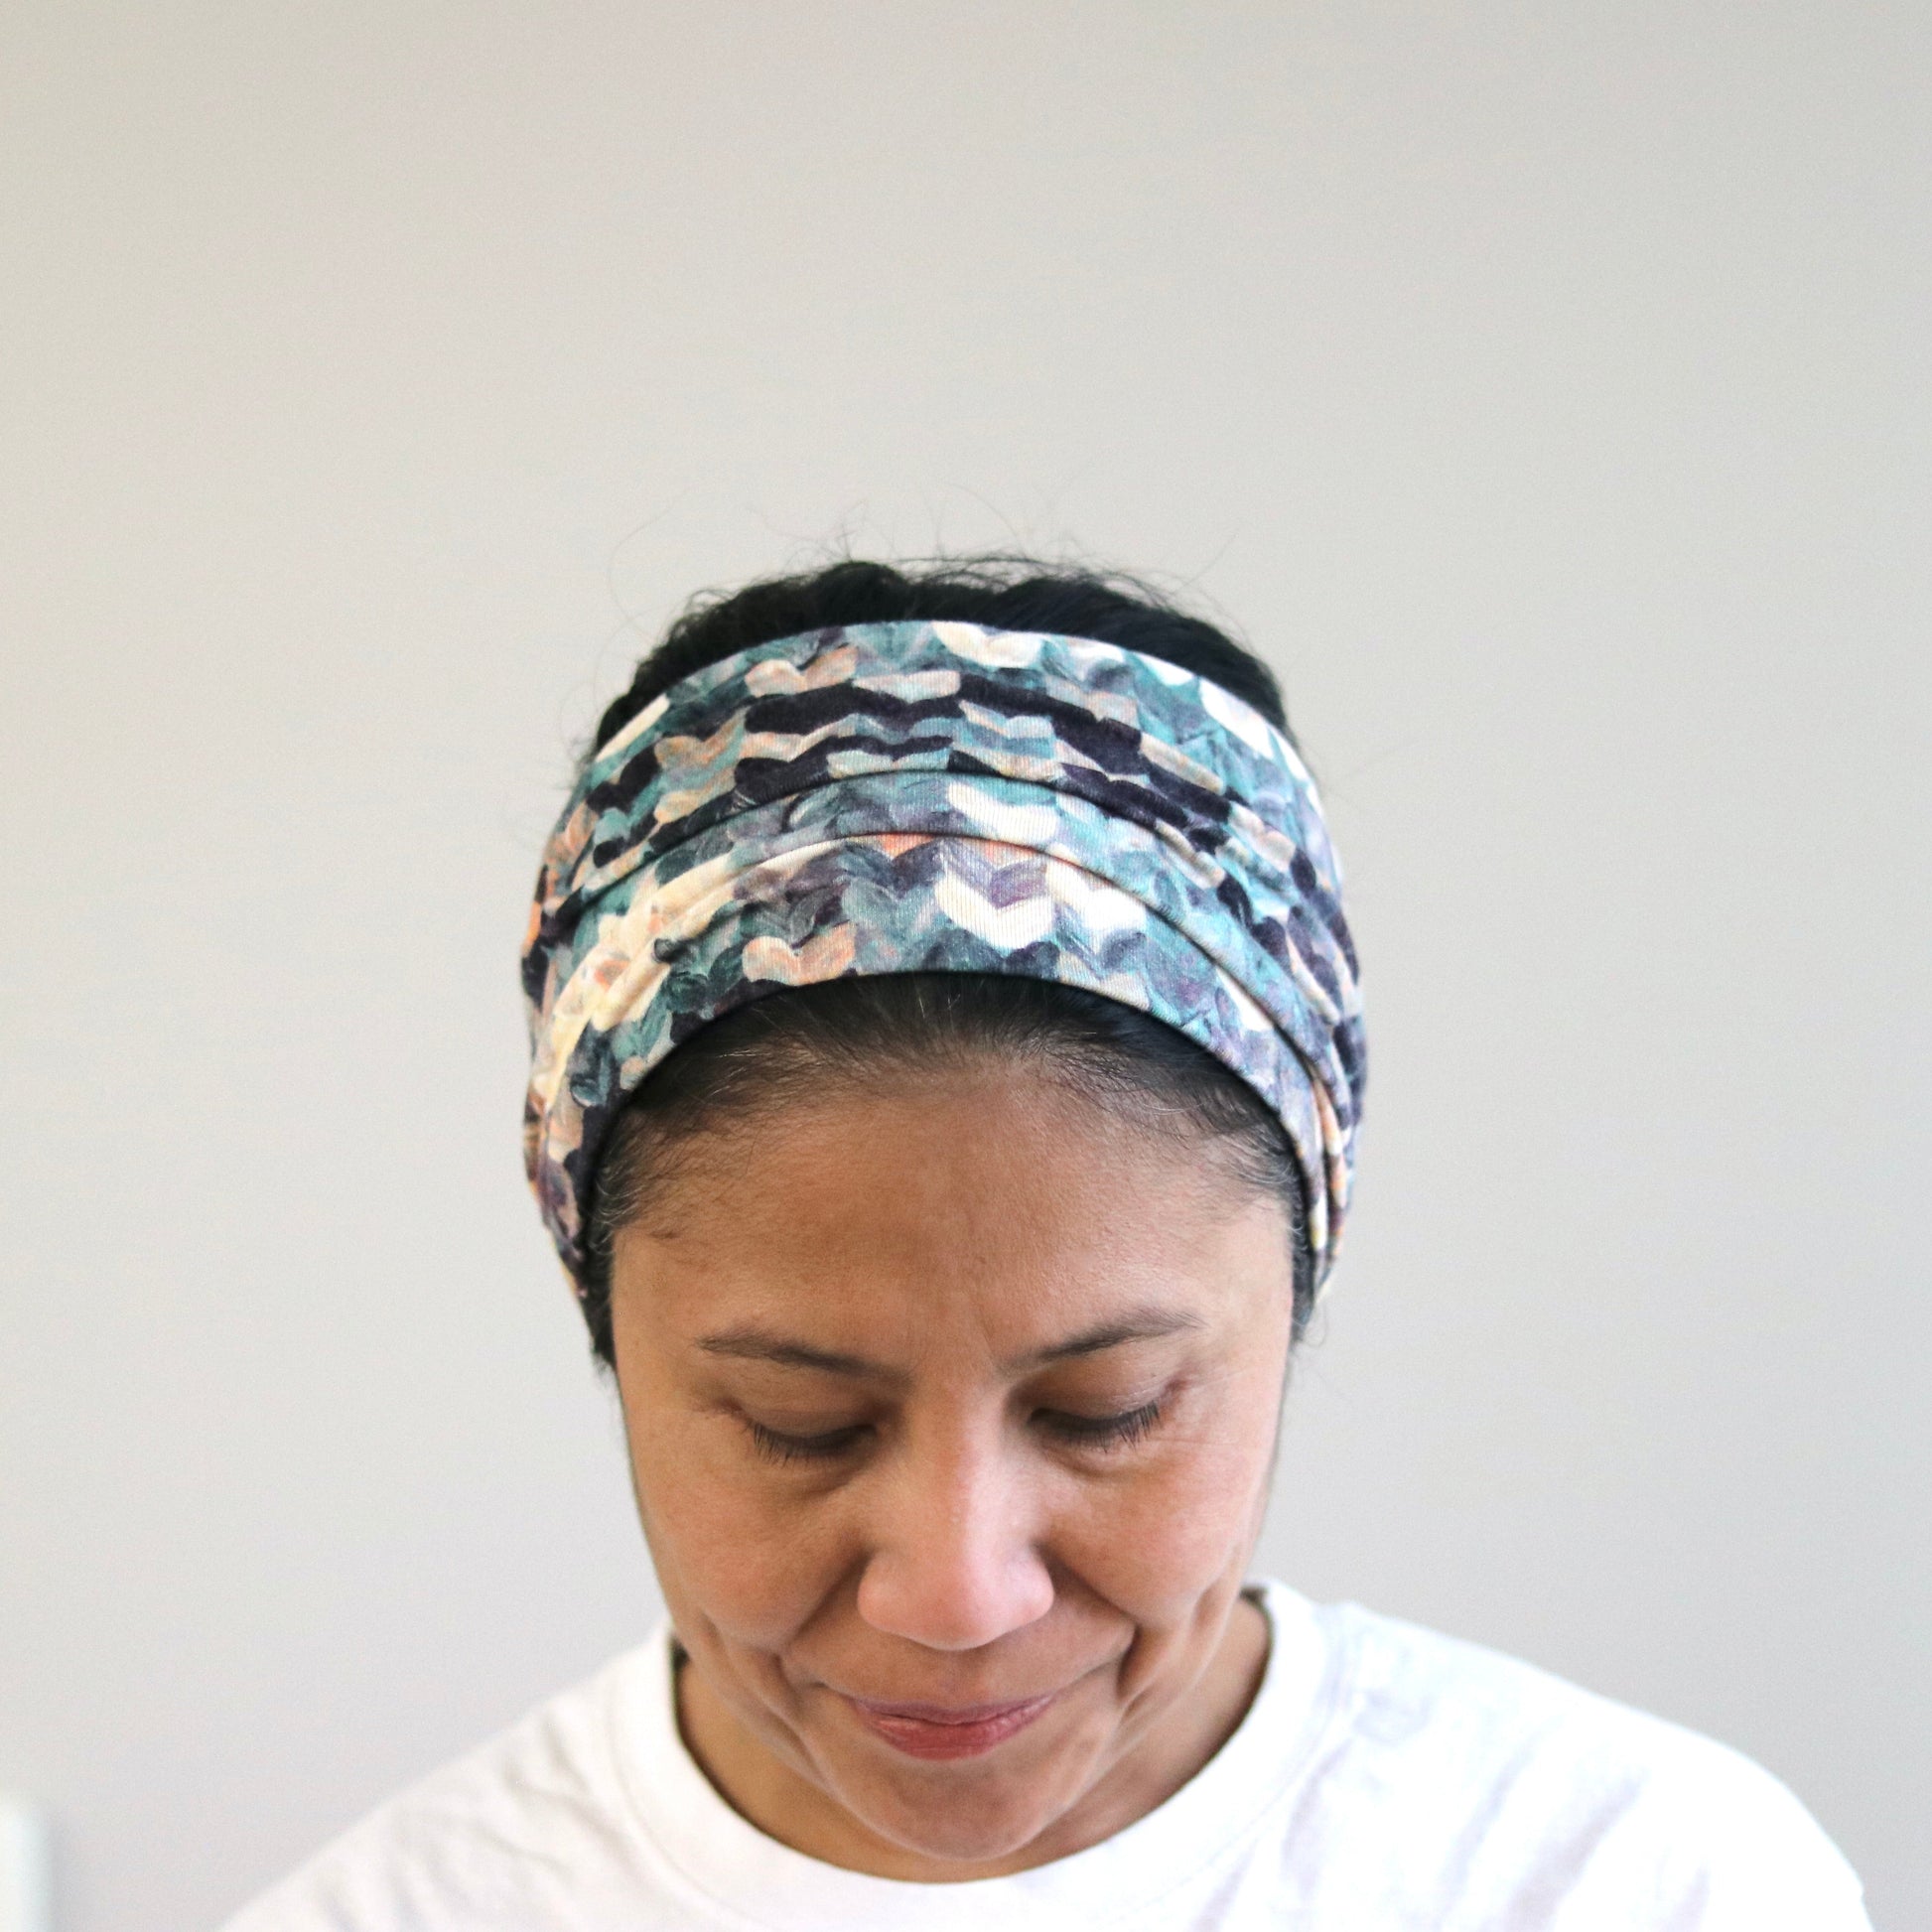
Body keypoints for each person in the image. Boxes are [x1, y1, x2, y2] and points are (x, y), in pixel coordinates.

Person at [224, 559, 1870, 1930]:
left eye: (1112, 1407)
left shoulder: (1636, 1881)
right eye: (802, 1424)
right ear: (604, 1316)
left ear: (1292, 1298)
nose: (955, 1590)